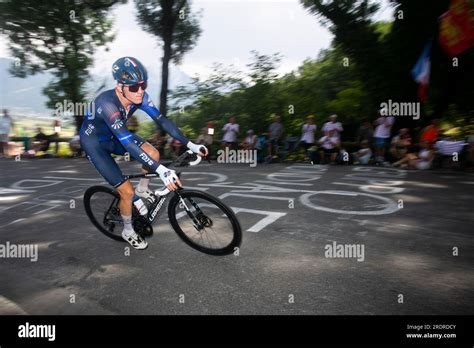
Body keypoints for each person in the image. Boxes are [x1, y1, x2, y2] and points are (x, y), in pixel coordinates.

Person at [80, 57, 208, 250]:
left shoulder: (138, 96)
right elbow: (128, 143)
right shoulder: (107, 104)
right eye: (134, 87)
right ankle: (128, 230)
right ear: (119, 86)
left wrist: (190, 144)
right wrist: (162, 171)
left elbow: (162, 121)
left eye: (143, 85)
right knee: (126, 192)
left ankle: (143, 189)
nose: (140, 91)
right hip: (95, 145)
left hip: (115, 136)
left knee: (153, 153)